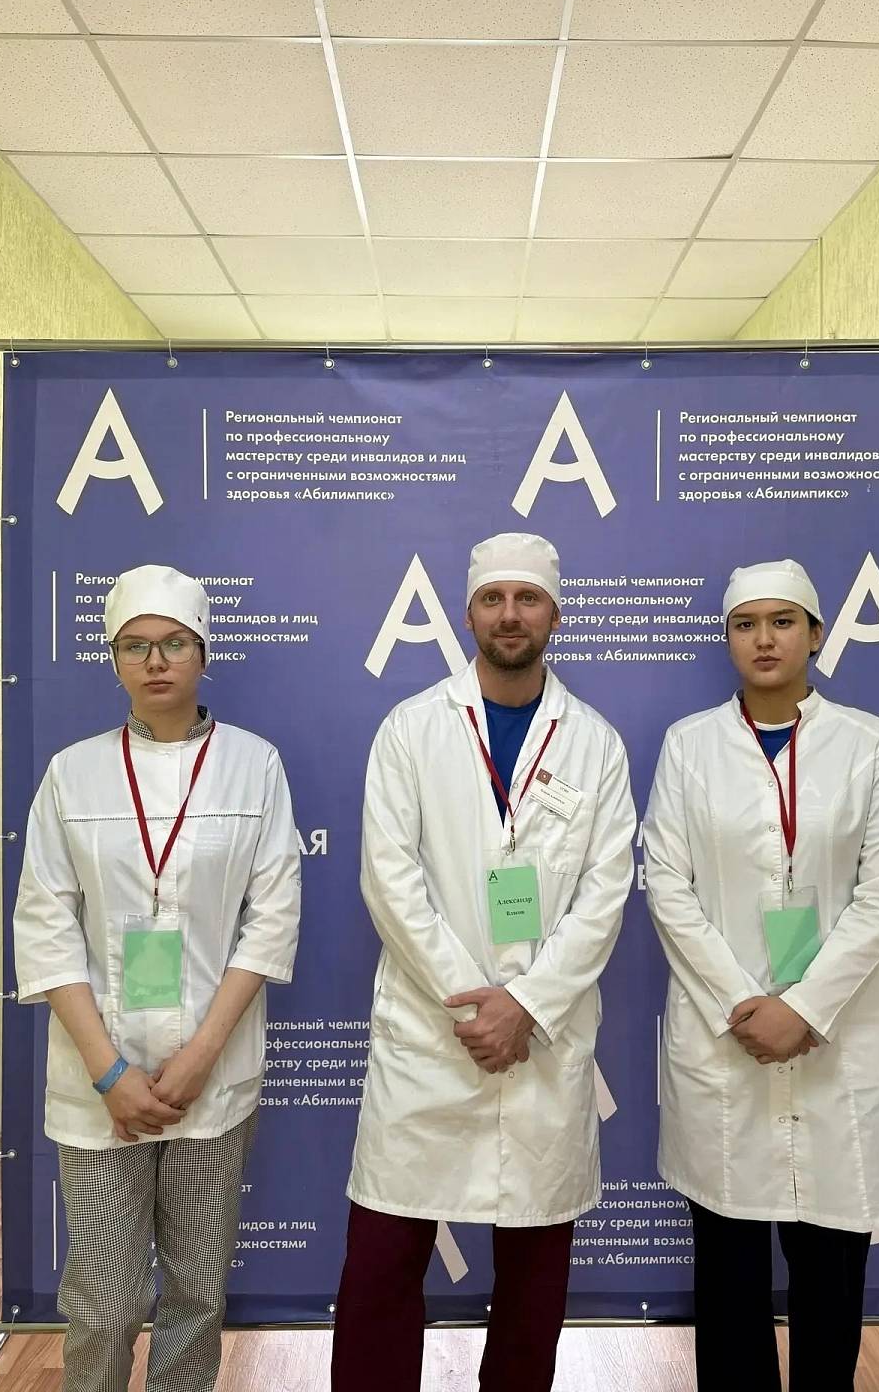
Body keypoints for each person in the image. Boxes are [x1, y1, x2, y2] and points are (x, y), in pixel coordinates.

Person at [331, 532, 635, 1392]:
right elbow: (389, 880)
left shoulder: (596, 744)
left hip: (540, 1042)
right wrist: (477, 1005)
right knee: (382, 1268)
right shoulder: (412, 729)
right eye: (493, 599)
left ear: (555, 615)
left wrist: (525, 1005)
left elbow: (605, 894)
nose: (510, 615)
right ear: (467, 615)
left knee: (535, 1282)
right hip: (432, 1040)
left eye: (527, 598)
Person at [13, 564, 302, 1392]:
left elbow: (273, 916)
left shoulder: (253, 764)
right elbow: (44, 924)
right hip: (97, 1080)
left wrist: (202, 1054)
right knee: (103, 1304)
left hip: (212, 1075)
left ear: (203, 653)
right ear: (113, 660)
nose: (155, 661)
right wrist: (109, 1070)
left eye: (174, 643)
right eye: (134, 646)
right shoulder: (73, 773)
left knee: (196, 1294)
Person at [643, 558, 879, 1392]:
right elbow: (668, 886)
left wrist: (803, 1008)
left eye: (783, 621)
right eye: (745, 624)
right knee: (728, 1272)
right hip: (724, 1037)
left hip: (836, 1035)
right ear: (728, 639)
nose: (764, 639)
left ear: (817, 635)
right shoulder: (689, 746)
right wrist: (743, 1002)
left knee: (832, 1270)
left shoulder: (870, 744)